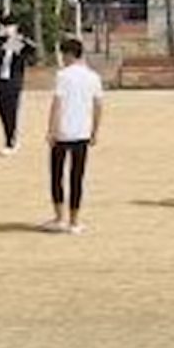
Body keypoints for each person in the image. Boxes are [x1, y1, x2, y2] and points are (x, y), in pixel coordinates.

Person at [44, 38, 105, 234]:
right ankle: (74, 221)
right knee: (77, 177)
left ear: (70, 54)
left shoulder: (63, 75)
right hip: (82, 132)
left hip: (62, 132)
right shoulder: (93, 77)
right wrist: (95, 131)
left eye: (63, 54)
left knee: (57, 175)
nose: (62, 58)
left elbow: (57, 104)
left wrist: (51, 130)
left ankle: (59, 217)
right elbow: (98, 106)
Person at [0, 17, 39, 156]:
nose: (7, 29)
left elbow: (33, 51)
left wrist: (21, 39)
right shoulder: (0, 42)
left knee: (11, 112)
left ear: (15, 27)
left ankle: (10, 141)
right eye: (5, 26)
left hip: (12, 83)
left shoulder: (17, 43)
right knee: (2, 111)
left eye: (10, 26)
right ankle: (10, 136)